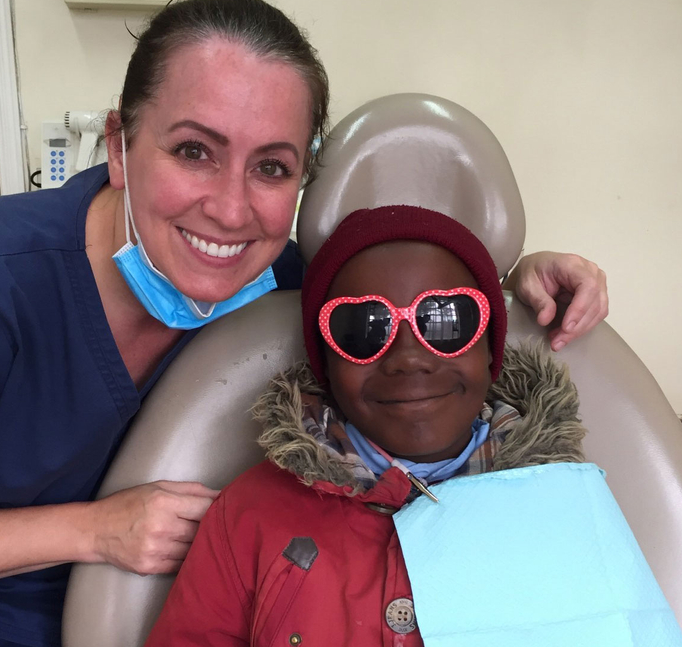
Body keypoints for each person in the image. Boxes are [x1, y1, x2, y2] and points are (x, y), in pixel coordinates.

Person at [0, 0, 610, 647]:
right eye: (194, 151)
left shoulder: (279, 284)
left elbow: (398, 291)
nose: (230, 209)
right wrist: (97, 526)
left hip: (51, 598)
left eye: (271, 168)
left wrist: (511, 276)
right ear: (118, 145)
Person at [144, 205, 588, 645]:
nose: (409, 358)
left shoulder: (564, 504)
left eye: (447, 319)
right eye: (363, 328)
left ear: (491, 348)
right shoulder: (249, 515)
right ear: (326, 366)